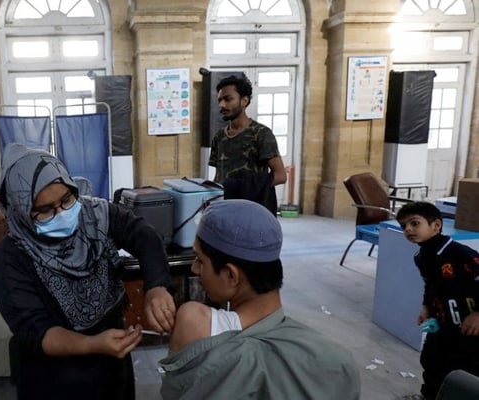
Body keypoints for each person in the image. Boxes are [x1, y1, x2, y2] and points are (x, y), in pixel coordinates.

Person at [0, 144, 175, 400]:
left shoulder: (96, 215)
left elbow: (144, 237)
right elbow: (36, 332)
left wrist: (157, 287)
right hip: (53, 376)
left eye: (67, 199)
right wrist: (92, 344)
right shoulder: (12, 257)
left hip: (111, 363)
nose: (62, 213)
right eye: (44, 210)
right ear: (21, 211)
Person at [160, 200, 360, 399]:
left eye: (200, 260)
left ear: (231, 275)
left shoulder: (195, 322)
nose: (195, 269)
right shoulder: (339, 362)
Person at [396, 201, 479, 399]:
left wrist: (478, 314)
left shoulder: (461, 254)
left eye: (415, 223)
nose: (408, 229)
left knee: (467, 371)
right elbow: (430, 284)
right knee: (432, 361)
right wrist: (426, 307)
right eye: (404, 226)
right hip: (443, 326)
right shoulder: (421, 256)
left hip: (470, 330)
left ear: (436, 225)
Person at [208, 75, 287, 215]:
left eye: (228, 99)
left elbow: (281, 175)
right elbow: (219, 176)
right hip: (226, 208)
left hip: (253, 209)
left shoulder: (261, 133)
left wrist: (244, 187)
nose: (221, 105)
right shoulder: (219, 137)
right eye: (219, 100)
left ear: (244, 100)